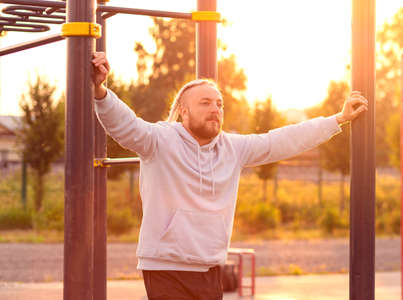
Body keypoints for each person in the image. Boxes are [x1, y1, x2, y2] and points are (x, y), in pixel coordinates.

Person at [91, 51, 368, 299]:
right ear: (183, 111)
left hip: (211, 268)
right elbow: (125, 125)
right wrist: (101, 90)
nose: (215, 108)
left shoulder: (233, 148)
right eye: (205, 103)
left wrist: (337, 119)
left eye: (219, 103)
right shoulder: (159, 140)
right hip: (166, 266)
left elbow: (282, 140)